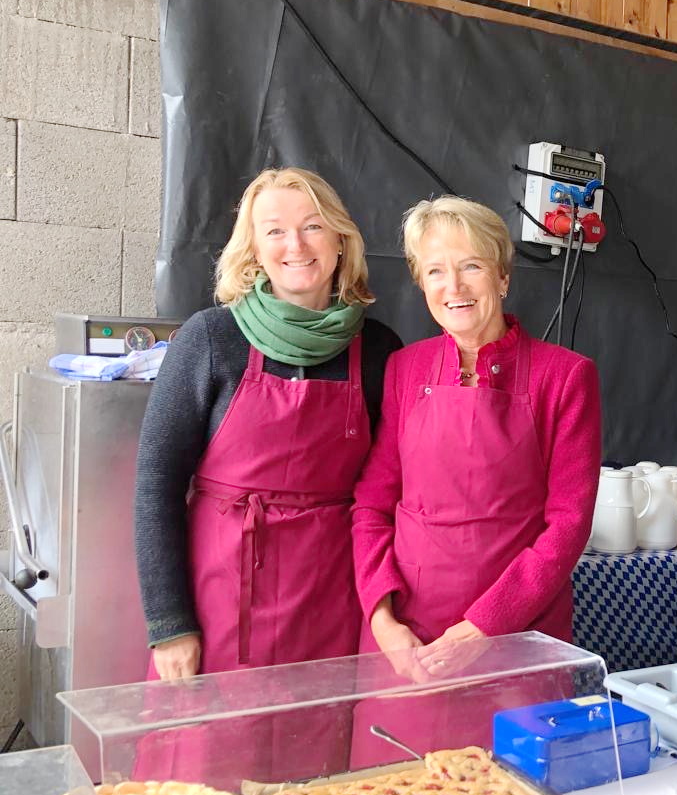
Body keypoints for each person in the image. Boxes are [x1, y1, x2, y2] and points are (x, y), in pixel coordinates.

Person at [135, 167, 400, 679]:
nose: (295, 245)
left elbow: (387, 491)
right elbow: (155, 485)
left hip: (333, 602)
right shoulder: (210, 339)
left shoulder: (379, 350)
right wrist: (169, 623)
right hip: (221, 601)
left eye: (313, 226)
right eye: (275, 230)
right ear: (254, 248)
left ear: (340, 241)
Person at [351, 196, 601, 692]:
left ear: (503, 278)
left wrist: (487, 624)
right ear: (422, 284)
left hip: (518, 635)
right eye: (436, 271)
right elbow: (371, 505)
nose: (454, 287)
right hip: (407, 643)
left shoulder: (565, 376)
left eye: (472, 266)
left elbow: (568, 525)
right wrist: (382, 618)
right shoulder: (404, 369)